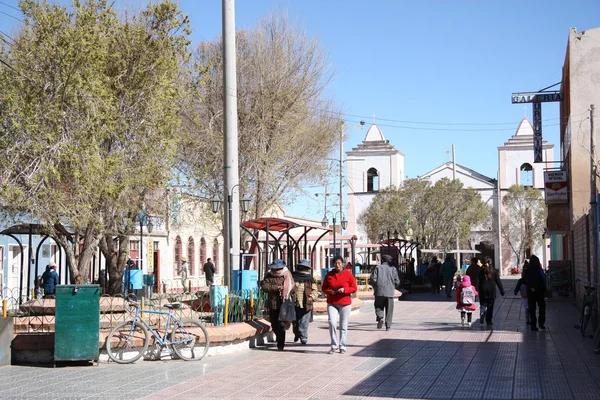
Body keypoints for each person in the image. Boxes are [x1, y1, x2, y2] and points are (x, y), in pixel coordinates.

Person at [322, 255, 357, 354]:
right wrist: (330, 292)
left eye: (339, 263)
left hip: (345, 303)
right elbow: (324, 288)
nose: (337, 265)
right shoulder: (329, 275)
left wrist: (345, 290)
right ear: (333, 264)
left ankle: (342, 345)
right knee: (332, 322)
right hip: (332, 302)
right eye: (335, 263)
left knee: (343, 325)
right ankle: (334, 345)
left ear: (342, 264)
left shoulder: (348, 274)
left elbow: (354, 288)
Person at [261, 259, 296, 350]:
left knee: (282, 324)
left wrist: (286, 290)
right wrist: (277, 288)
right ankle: (278, 336)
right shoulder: (268, 275)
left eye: (278, 268)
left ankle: (280, 344)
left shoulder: (287, 274)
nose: (276, 271)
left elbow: (292, 286)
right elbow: (265, 286)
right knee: (274, 323)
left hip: (284, 303)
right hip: (272, 303)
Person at [291, 259, 318, 344]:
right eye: (301, 266)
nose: (302, 268)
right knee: (295, 322)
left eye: (304, 267)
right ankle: (297, 334)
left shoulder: (309, 278)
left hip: (306, 303)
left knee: (304, 322)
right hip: (294, 303)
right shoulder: (293, 277)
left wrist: (312, 296)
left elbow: (315, 291)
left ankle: (303, 337)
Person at [370, 254, 400, 331]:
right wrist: (393, 287)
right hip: (389, 292)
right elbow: (397, 281)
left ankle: (380, 317)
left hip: (379, 291)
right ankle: (388, 325)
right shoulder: (393, 269)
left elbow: (373, 279)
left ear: (382, 260)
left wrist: (375, 287)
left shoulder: (377, 268)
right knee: (389, 309)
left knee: (378, 306)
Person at [478, 262, 505, 327]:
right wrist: (502, 291)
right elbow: (498, 281)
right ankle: (489, 321)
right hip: (491, 291)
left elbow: (477, 280)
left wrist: (476, 289)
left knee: (483, 303)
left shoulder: (481, 271)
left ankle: (482, 311)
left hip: (482, 290)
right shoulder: (494, 271)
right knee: (490, 307)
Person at [524, 254, 546, 331]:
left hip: (530, 291)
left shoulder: (527, 270)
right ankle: (541, 323)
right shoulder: (539, 270)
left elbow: (524, 280)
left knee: (532, 308)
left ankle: (533, 325)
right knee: (542, 307)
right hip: (540, 291)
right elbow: (544, 278)